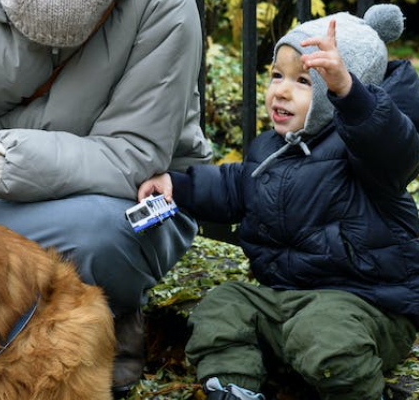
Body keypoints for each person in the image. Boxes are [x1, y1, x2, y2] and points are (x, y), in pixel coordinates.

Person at [0, 0, 212, 395]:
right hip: (4, 208)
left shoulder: (163, 7)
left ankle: (101, 325)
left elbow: (133, 152)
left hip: (128, 201)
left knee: (104, 237)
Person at [138, 4, 419, 400]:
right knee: (224, 306)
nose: (280, 90)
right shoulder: (272, 148)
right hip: (285, 300)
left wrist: (349, 95)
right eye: (276, 76)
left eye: (304, 81)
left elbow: (391, 144)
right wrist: (177, 187)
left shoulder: (367, 154)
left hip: (368, 308)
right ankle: (233, 387)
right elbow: (234, 187)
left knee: (322, 335)